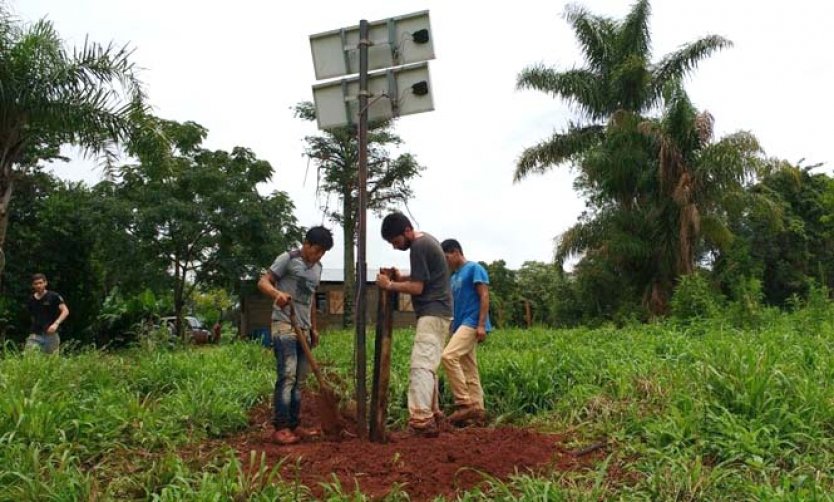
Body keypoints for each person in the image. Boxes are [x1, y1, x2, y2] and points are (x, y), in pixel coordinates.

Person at [376, 212, 451, 437]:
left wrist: (389, 285)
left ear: (407, 231)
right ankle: (433, 414)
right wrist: (400, 278)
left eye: (397, 242)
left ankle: (421, 421)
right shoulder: (428, 241)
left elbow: (418, 288)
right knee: (429, 365)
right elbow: (422, 278)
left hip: (432, 312)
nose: (396, 247)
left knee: (421, 365)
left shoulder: (419, 246)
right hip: (440, 313)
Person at [257, 226, 333, 445]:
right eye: (317, 250)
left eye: (323, 253)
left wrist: (313, 328)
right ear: (306, 244)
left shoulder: (317, 268)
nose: (318, 255)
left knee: (299, 380)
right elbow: (263, 281)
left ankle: (294, 424)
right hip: (284, 324)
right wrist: (277, 293)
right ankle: (280, 427)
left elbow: (310, 300)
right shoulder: (287, 259)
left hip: (304, 329)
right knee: (287, 376)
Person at [440, 239, 491, 426]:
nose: (447, 262)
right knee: (470, 369)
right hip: (460, 324)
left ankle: (464, 403)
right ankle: (478, 414)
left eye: (447, 257)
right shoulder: (453, 277)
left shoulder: (474, 269)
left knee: (448, 356)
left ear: (455, 252)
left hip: (472, 322)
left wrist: (481, 325)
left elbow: (484, 295)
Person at [26, 273, 69, 354]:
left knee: (51, 362)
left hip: (51, 335)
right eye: (36, 284)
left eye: (40, 283)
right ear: (33, 285)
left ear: (45, 283)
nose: (39, 285)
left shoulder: (53, 296)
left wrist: (56, 324)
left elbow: (65, 311)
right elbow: (32, 315)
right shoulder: (31, 299)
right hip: (35, 334)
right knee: (29, 357)